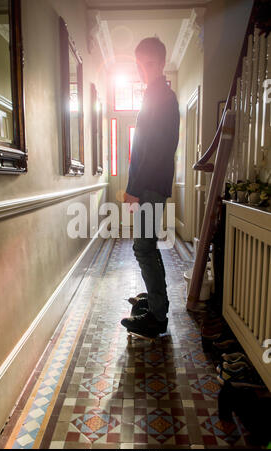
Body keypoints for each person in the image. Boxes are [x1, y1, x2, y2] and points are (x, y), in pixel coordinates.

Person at [121, 36, 180, 338]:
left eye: (148, 63)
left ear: (160, 63)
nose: (142, 68)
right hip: (150, 186)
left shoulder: (162, 98)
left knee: (143, 247)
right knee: (147, 246)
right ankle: (156, 303)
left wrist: (135, 187)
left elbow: (153, 150)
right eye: (139, 63)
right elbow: (143, 147)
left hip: (151, 187)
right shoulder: (156, 96)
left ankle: (157, 315)